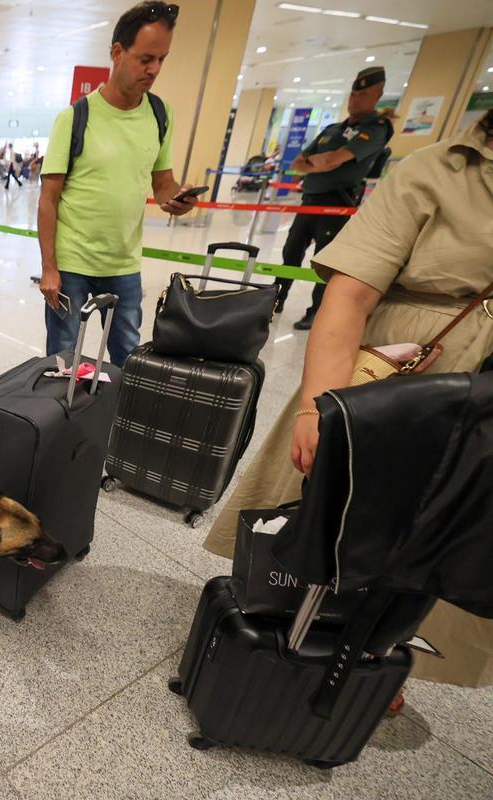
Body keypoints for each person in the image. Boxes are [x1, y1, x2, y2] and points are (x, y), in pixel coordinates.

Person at [204, 109, 493, 690]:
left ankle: (379, 657)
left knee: (447, 538)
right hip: (404, 382)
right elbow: (351, 293)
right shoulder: (436, 170)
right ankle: (291, 642)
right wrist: (317, 407)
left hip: (481, 411)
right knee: (340, 519)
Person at [37, 1, 197, 366]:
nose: (154, 69)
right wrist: (49, 267)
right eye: (145, 59)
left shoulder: (160, 114)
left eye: (162, 59)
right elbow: (48, 199)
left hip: (124, 263)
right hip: (72, 262)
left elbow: (163, 183)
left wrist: (178, 199)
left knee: (128, 355)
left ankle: (121, 406)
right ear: (117, 52)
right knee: (63, 356)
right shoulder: (75, 117)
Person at [274, 66, 393, 327]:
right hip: (309, 201)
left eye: (363, 95)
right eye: (353, 94)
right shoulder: (332, 129)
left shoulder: (376, 129)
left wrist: (321, 161)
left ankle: (317, 311)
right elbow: (298, 163)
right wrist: (322, 162)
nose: (355, 100)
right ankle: (275, 300)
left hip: (337, 204)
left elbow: (331, 159)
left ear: (378, 95)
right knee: (290, 252)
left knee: (324, 262)